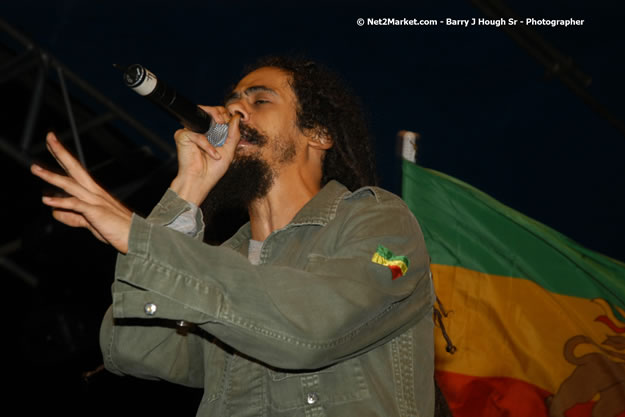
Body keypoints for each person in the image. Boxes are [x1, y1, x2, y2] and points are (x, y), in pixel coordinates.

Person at [31, 56, 436, 416]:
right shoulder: (227, 258)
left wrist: (141, 238)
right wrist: (187, 189)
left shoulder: (380, 223)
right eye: (233, 102)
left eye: (260, 101)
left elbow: (313, 328)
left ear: (317, 133)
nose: (235, 110)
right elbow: (137, 349)